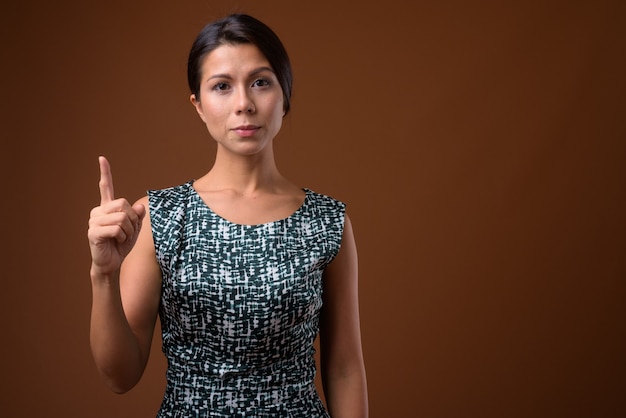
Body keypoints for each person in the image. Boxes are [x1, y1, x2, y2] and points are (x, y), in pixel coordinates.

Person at [88, 13, 368, 417]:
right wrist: (103, 275)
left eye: (261, 82)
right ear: (199, 105)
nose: (244, 104)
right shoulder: (162, 217)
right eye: (222, 86)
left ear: (284, 95)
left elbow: (344, 369)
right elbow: (120, 376)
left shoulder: (326, 221)